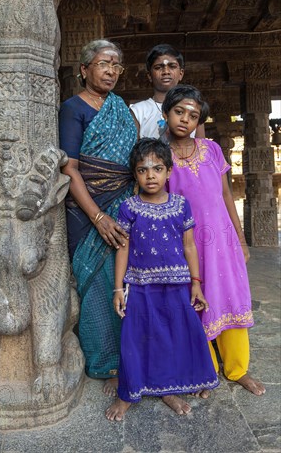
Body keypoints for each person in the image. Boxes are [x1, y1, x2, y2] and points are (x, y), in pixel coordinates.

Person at [161, 85, 266, 396]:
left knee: (231, 298)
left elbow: (225, 195)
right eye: (179, 112)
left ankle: (238, 369)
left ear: (199, 122)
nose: (185, 120)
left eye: (193, 116)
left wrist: (241, 238)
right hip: (187, 244)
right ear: (166, 113)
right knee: (195, 302)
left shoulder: (212, 150)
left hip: (222, 241)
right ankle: (204, 370)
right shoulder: (159, 156)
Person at [105, 138, 219, 421]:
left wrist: (196, 283)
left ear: (169, 172)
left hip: (177, 285)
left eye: (157, 168)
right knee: (135, 338)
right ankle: (129, 393)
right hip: (141, 286)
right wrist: (119, 287)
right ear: (135, 174)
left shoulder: (181, 205)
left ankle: (169, 389)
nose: (150, 175)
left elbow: (190, 246)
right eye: (143, 170)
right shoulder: (128, 207)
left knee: (173, 337)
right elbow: (123, 247)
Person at [59, 39, 137, 395]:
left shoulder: (123, 109)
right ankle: (102, 361)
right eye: (104, 63)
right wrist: (97, 218)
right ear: (84, 69)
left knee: (123, 280)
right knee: (92, 282)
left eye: (116, 66)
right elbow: (70, 167)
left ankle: (128, 356)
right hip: (85, 209)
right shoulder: (73, 108)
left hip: (123, 203)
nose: (111, 71)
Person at [130, 43, 204, 139]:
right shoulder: (138, 111)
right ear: (149, 76)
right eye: (158, 67)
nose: (166, 72)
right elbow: (133, 151)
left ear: (181, 73)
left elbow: (202, 149)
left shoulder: (193, 109)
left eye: (172, 66)